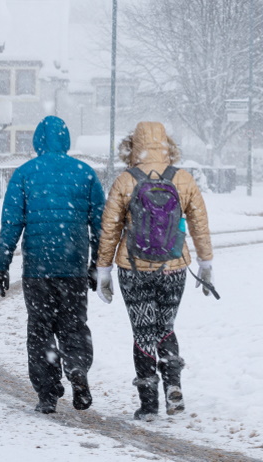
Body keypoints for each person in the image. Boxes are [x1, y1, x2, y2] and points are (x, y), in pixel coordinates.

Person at [95, 121, 214, 421]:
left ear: (132, 146)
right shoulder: (182, 179)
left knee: (143, 332)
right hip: (173, 268)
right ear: (167, 144)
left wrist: (103, 270)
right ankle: (173, 388)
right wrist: (206, 263)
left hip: (133, 269)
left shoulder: (125, 180)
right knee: (166, 328)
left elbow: (109, 229)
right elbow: (199, 224)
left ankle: (148, 404)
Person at [0, 115, 105, 414]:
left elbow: (11, 224)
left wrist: (1, 264)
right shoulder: (85, 173)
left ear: (37, 141)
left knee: (40, 329)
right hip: (73, 266)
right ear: (66, 140)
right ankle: (77, 368)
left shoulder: (25, 174)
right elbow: (100, 225)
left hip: (38, 268)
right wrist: (97, 263)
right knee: (74, 325)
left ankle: (47, 392)